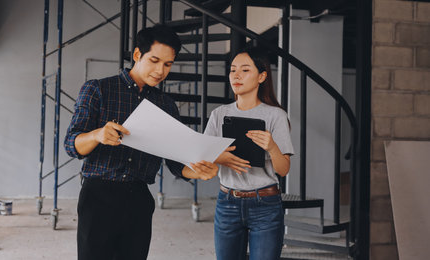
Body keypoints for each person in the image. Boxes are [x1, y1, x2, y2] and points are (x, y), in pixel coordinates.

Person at [64, 24, 218, 260]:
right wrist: (97, 135)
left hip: (139, 199)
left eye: (168, 64)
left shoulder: (166, 105)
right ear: (137, 55)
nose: (160, 71)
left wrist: (199, 172)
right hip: (98, 196)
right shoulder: (98, 89)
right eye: (154, 60)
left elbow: (176, 163)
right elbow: (71, 144)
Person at [204, 46, 294, 260]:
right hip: (227, 202)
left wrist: (272, 147)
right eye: (233, 69)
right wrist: (220, 156)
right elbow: (203, 157)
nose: (236, 75)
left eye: (245, 70)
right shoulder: (219, 114)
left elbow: (283, 169)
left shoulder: (276, 116)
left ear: (262, 76)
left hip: (265, 204)